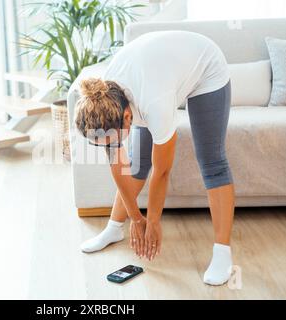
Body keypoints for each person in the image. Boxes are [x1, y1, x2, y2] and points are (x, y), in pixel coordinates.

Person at [74, 31, 235, 286]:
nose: (113, 147)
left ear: (128, 117)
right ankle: (114, 229)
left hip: (206, 69)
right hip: (160, 71)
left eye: (114, 141)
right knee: (137, 164)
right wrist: (136, 218)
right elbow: (119, 166)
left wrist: (154, 222)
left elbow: (162, 171)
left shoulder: (154, 103)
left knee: (212, 163)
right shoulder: (105, 100)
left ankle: (223, 253)